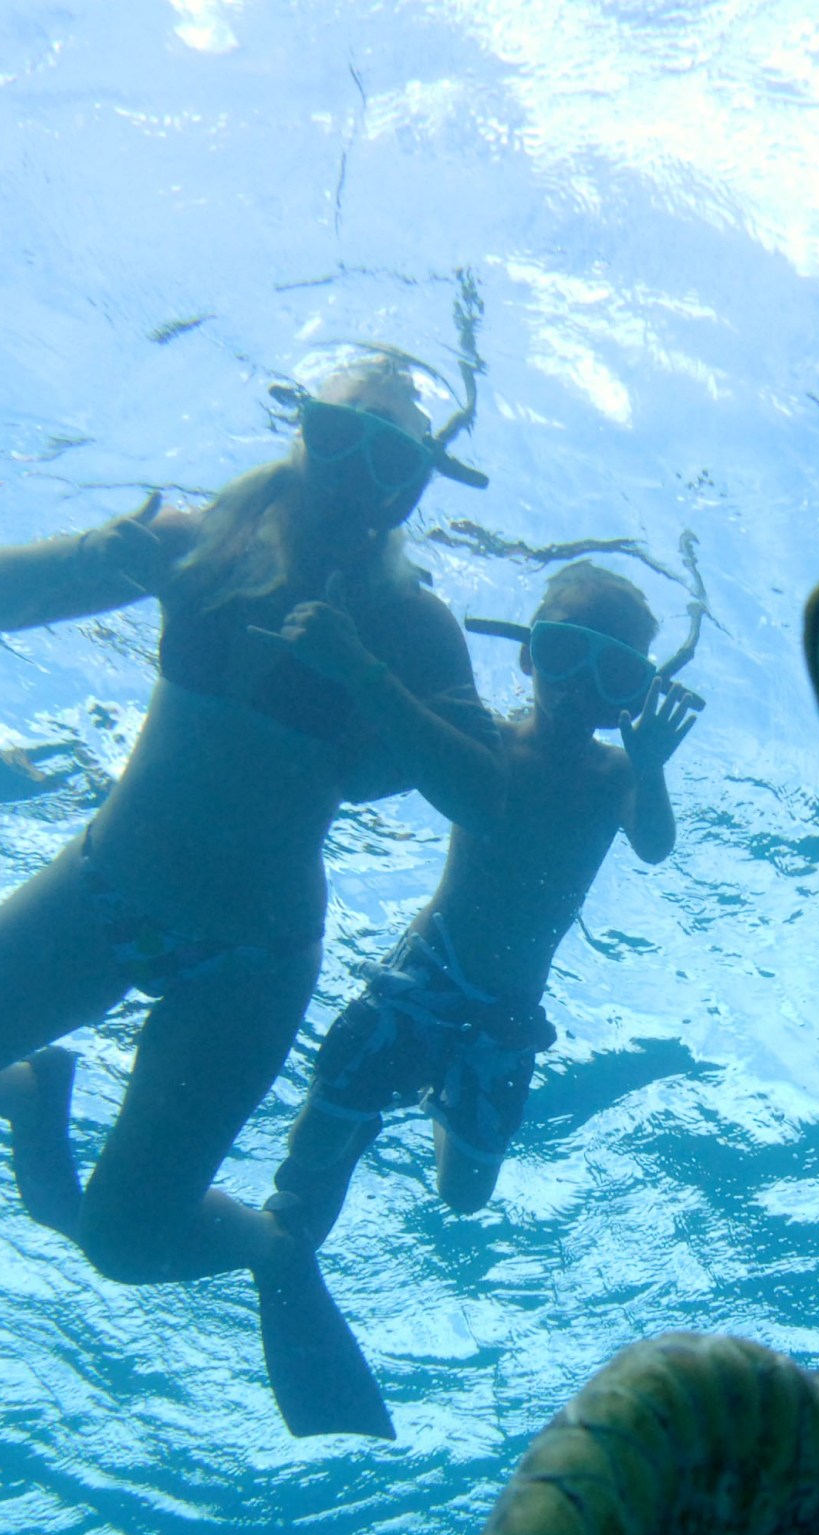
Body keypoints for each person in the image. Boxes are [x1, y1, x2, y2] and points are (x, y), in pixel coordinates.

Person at [0, 356, 493, 1437]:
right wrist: (112, 550)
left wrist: (372, 679)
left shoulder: (414, 625)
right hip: (102, 891)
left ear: (421, 480)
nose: (364, 476)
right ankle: (20, 1089)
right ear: (302, 432)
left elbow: (483, 795)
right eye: (343, 437)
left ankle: (273, 1247)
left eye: (396, 457)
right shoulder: (201, 544)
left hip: (251, 956)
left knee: (127, 1245)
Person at [245, 560, 702, 1370]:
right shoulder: (486, 739)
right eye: (563, 653)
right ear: (528, 655)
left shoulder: (619, 773)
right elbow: (396, 745)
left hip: (507, 1014)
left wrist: (654, 765)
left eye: (615, 671)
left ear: (634, 693)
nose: (579, 686)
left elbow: (656, 846)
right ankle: (294, 1232)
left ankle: (414, 1100)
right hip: (424, 976)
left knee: (462, 1200)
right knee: (318, 1148)